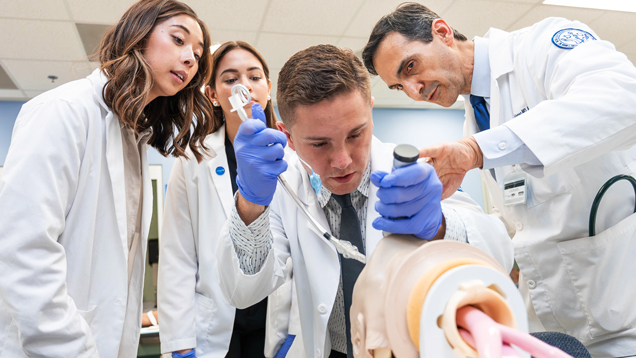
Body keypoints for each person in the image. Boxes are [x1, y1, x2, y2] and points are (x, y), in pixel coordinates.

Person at [361, 3, 636, 357]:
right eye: (400, 87)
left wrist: (478, 149)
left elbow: (624, 98)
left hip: (624, 319)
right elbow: (516, 226)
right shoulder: (475, 116)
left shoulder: (542, 46)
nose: (414, 90)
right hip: (549, 331)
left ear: (442, 32)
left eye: (410, 67)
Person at [215, 44, 513, 358]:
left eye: (355, 134)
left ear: (370, 111)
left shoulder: (414, 172)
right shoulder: (282, 190)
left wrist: (439, 226)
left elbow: (500, 257)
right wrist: (250, 204)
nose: (342, 161)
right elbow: (241, 291)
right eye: (319, 143)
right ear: (287, 136)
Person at [0, 0, 213, 356]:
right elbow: (24, 250)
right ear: (137, 33)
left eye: (197, 53)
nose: (191, 58)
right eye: (179, 39)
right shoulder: (63, 111)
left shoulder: (132, 136)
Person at [158, 41, 301, 358]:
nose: (244, 87)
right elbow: (177, 255)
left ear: (268, 86)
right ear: (212, 94)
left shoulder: (293, 158)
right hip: (216, 320)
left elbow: (305, 254)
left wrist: (298, 329)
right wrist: (178, 341)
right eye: (230, 78)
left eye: (254, 77)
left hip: (275, 317)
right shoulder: (193, 161)